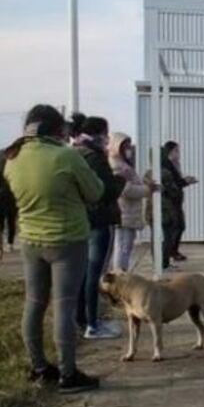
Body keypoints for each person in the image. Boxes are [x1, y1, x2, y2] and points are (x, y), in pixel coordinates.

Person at [3, 105, 104, 393]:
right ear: (56, 129)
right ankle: (68, 375)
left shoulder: (13, 157)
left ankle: (38, 367)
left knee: (34, 303)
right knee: (64, 305)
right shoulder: (66, 156)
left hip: (30, 240)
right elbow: (95, 191)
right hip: (67, 241)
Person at [74, 116, 125, 339]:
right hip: (99, 219)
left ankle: (81, 319)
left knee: (83, 273)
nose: (107, 139)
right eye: (106, 133)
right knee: (95, 274)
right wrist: (121, 179)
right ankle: (93, 324)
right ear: (100, 133)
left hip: (81, 219)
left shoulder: (74, 152)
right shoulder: (94, 156)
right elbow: (106, 190)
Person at [108, 133, 155, 271]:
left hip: (129, 212)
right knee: (122, 247)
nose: (128, 149)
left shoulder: (124, 164)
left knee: (126, 247)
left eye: (129, 145)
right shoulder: (116, 165)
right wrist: (147, 189)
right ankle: (119, 276)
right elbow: (126, 190)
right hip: (123, 212)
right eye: (125, 146)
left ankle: (122, 273)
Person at [162, 141, 197, 262]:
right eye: (176, 151)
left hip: (177, 200)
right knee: (175, 227)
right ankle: (170, 252)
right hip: (170, 202)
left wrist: (185, 180)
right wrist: (186, 181)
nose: (178, 154)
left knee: (180, 226)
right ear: (169, 152)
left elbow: (178, 182)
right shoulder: (166, 165)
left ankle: (173, 251)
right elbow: (173, 184)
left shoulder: (175, 165)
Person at [0, 149, 17, 251]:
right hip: (12, 199)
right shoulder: (15, 168)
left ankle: (0, 244)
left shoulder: (1, 168)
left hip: (1, 199)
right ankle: (10, 244)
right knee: (11, 222)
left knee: (0, 223)